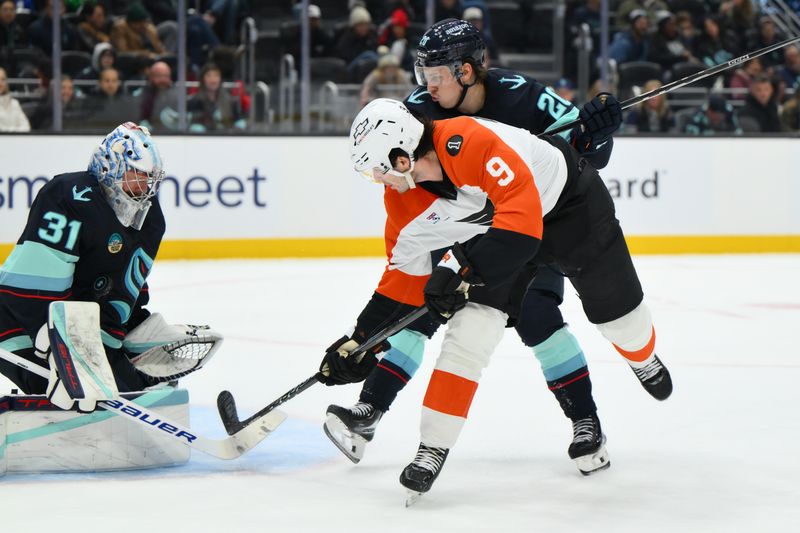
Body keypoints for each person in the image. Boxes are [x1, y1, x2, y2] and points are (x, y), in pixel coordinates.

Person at [322, 19, 669, 475]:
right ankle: (371, 410)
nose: (425, 86)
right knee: (431, 307)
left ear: (466, 71)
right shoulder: (416, 115)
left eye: (435, 75)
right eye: (422, 74)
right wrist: (361, 339)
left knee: (540, 315)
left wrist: (598, 129)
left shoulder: (522, 95)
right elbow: (409, 221)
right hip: (480, 220)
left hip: (547, 209)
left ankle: (593, 413)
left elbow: (589, 152)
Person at [0, 123, 166, 397]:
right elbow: (33, 282)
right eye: (137, 174)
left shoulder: (151, 219)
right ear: (110, 167)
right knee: (79, 394)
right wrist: (55, 347)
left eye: (150, 178)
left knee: (134, 391)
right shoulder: (68, 196)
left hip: (86, 333)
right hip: (21, 325)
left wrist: (138, 327)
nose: (146, 186)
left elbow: (127, 285)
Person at [187, 62, 246, 132]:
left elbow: (239, 121)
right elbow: (192, 123)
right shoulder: (194, 101)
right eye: (209, 76)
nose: (213, 80)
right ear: (203, 79)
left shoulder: (231, 101)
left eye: (216, 76)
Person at [134, 60, 179, 131]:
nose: (163, 79)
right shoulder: (141, 96)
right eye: (159, 76)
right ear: (151, 77)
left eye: (166, 76)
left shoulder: (178, 95)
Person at [0, 66, 31, 131]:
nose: (0, 83)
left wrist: (11, 132)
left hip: (17, 140)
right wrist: (15, 130)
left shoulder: (14, 103)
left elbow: (26, 127)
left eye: (2, 79)